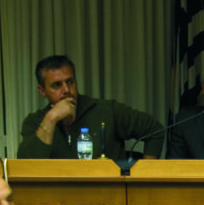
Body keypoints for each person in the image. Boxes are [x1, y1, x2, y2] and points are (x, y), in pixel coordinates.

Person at [17, 55, 165, 160]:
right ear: (42, 91)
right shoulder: (34, 122)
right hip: (58, 194)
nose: (66, 90)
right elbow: (27, 166)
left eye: (70, 82)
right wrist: (51, 118)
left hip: (107, 192)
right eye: (57, 85)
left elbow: (154, 130)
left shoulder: (106, 110)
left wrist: (144, 175)